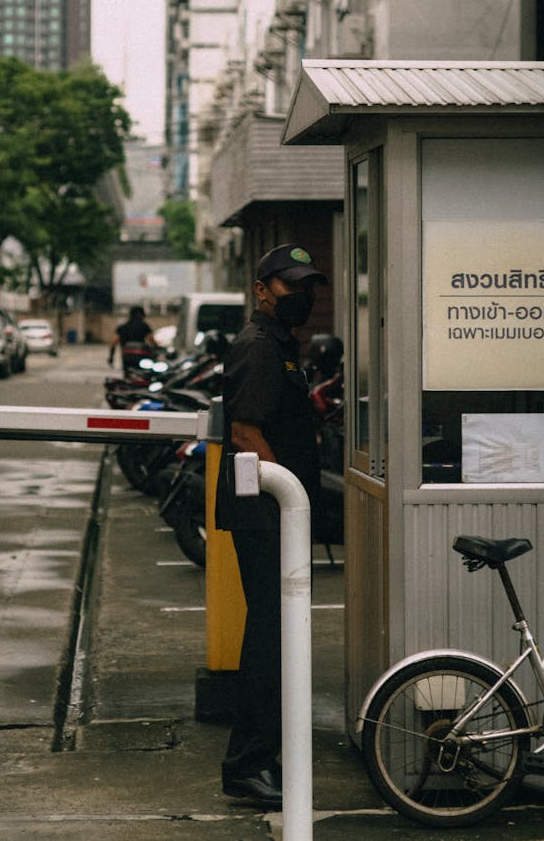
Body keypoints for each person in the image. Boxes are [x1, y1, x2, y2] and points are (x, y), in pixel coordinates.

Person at [215, 243, 327, 809]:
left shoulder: (280, 347)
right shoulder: (258, 347)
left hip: (276, 516)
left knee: (277, 638)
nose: (301, 297)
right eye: (290, 287)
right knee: (268, 640)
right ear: (262, 290)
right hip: (266, 517)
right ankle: (247, 765)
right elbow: (244, 434)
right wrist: (294, 501)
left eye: (307, 287)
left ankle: (262, 756)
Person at [108, 306, 156, 374]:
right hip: (141, 356)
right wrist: (157, 349)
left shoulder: (123, 327)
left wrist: (111, 357)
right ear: (140, 315)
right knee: (144, 374)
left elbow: (113, 343)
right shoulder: (144, 326)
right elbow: (152, 340)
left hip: (126, 356)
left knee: (127, 375)